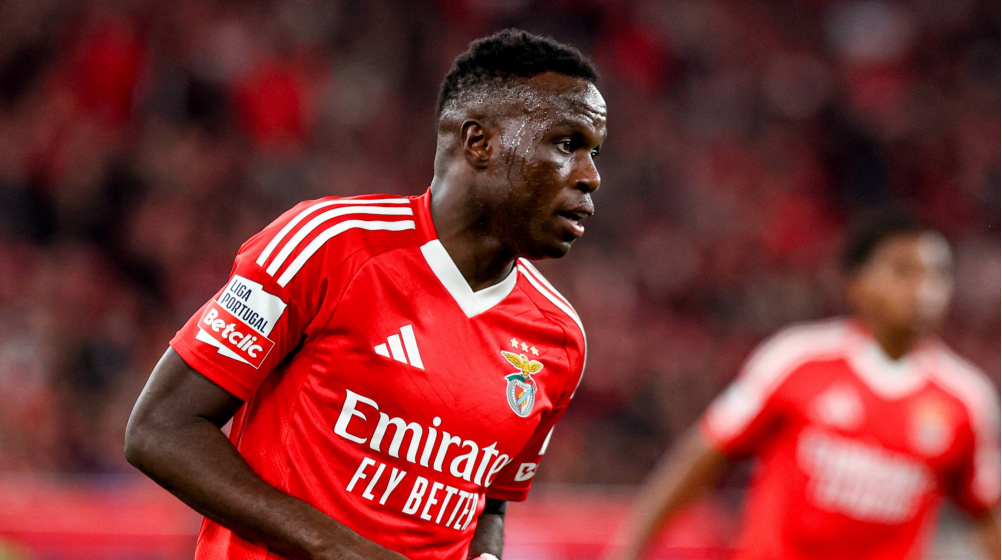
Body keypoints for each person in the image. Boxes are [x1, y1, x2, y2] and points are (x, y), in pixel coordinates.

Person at [125, 29, 606, 560]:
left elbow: (488, 502)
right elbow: (160, 429)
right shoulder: (327, 246)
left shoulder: (560, 339)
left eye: (595, 153)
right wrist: (339, 550)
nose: (591, 177)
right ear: (479, 143)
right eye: (568, 144)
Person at [607, 209, 1000, 560]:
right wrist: (630, 547)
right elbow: (705, 453)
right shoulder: (797, 358)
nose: (923, 291)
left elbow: (985, 511)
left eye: (937, 275)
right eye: (903, 272)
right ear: (857, 283)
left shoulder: (967, 398)